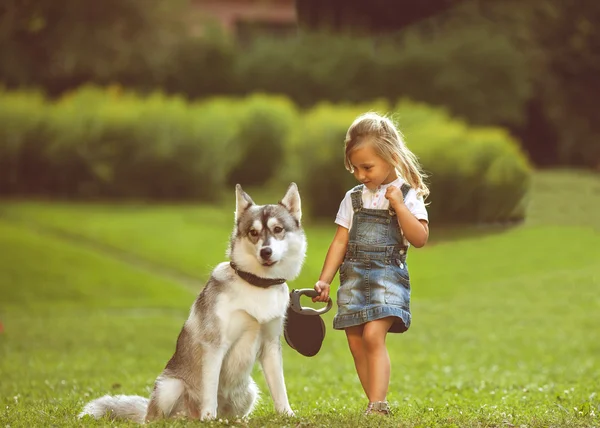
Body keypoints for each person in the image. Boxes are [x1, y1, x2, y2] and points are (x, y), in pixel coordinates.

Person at [312, 112, 430, 415]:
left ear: (391, 157)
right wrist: (325, 279)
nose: (361, 175)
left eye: (367, 167)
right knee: (355, 342)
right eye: (355, 168)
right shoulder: (352, 198)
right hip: (352, 277)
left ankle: (379, 405)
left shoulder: (407, 194)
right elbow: (340, 241)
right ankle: (373, 403)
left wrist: (399, 207)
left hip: (387, 276)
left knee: (373, 335)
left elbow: (420, 238)